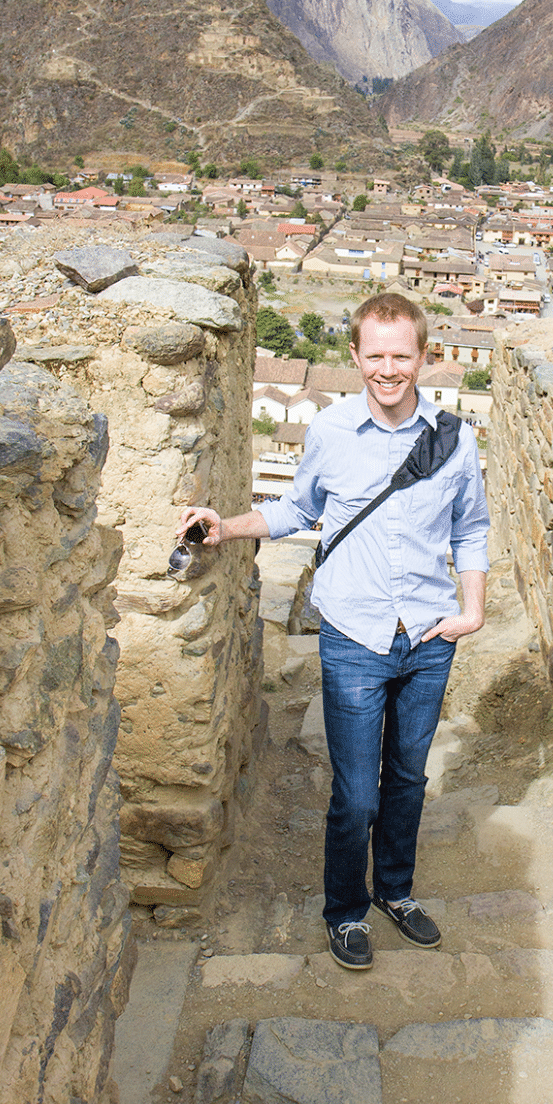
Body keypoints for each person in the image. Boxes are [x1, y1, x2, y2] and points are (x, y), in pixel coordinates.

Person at [179, 292, 489, 971]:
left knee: (407, 777)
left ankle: (395, 894)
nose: (387, 369)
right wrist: (226, 527)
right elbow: (296, 508)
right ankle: (345, 909)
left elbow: (470, 529)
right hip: (354, 634)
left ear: (424, 359)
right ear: (354, 357)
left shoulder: (454, 440)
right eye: (374, 356)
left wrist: (471, 611)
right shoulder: (331, 431)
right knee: (355, 795)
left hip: (429, 634)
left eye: (400, 356)